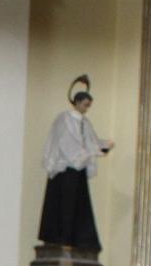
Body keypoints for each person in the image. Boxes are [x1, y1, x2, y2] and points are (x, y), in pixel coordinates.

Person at [37, 76, 112, 256]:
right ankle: (61, 238)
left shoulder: (85, 123)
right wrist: (86, 153)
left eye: (88, 106)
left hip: (78, 169)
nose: (86, 109)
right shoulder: (64, 119)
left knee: (79, 205)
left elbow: (91, 141)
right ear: (77, 102)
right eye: (85, 105)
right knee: (64, 205)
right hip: (66, 169)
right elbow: (64, 142)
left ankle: (79, 240)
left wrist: (103, 146)